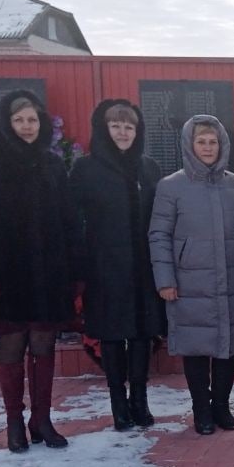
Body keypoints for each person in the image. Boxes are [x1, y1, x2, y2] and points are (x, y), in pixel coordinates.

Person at [0, 90, 82, 453]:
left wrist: (75, 272)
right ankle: (15, 421)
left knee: (44, 343)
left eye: (33, 120)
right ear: (7, 123)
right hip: (5, 273)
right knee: (12, 343)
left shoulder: (52, 163)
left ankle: (41, 419)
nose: (27, 126)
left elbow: (70, 221)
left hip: (48, 272)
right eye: (19, 120)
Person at [148, 116, 234, 435]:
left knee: (228, 346)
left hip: (231, 280)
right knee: (196, 347)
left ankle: (221, 405)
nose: (208, 148)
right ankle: (201, 410)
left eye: (213, 141)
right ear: (189, 145)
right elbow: (159, 234)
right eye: (201, 141)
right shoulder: (171, 186)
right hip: (189, 282)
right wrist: (165, 279)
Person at [70, 99, 165, 432]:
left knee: (142, 334)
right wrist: (82, 265)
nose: (123, 132)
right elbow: (74, 220)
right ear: (103, 129)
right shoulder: (85, 168)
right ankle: (119, 404)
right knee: (112, 336)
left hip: (143, 266)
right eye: (116, 126)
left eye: (129, 126)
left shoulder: (148, 167)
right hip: (105, 266)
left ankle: (140, 400)